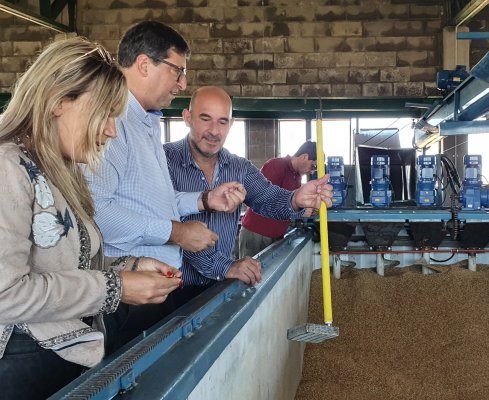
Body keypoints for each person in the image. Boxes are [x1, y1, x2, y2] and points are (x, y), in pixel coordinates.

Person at [0, 38, 182, 400]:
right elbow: (5, 295)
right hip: (21, 366)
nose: (112, 131)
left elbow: (76, 262)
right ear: (58, 101)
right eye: (104, 115)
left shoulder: (60, 173)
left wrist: (131, 265)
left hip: (65, 354)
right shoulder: (8, 168)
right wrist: (116, 288)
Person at [84, 21, 244, 351]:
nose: (182, 83)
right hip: (127, 295)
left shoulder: (145, 123)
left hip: (155, 289)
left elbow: (152, 200)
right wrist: (176, 232)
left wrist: (203, 200)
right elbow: (96, 212)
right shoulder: (111, 122)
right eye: (177, 71)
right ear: (144, 64)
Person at [164, 86, 333, 300]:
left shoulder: (239, 167)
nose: (214, 131)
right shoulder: (163, 160)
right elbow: (165, 224)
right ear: (187, 117)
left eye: (223, 121)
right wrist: (225, 266)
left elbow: (267, 197)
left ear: (231, 124)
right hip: (166, 290)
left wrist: (295, 199)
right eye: (205, 119)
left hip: (216, 289)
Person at [239, 141, 318, 258]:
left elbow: (288, 208)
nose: (312, 171)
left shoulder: (297, 178)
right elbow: (263, 199)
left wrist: (303, 208)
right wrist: (300, 210)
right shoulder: (277, 166)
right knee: (249, 274)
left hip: (276, 235)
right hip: (257, 233)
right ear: (304, 157)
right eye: (313, 166)